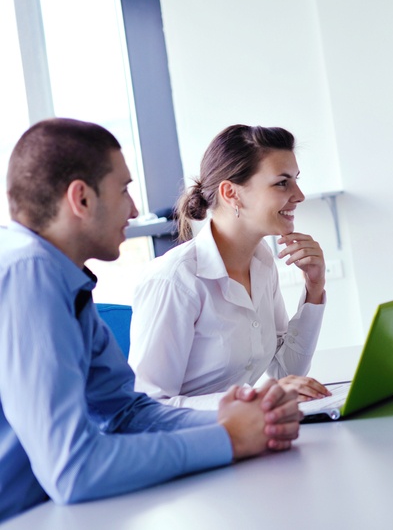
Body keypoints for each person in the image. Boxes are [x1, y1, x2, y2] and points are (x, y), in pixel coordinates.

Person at [0, 119, 301, 523]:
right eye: (123, 189)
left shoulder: (63, 279)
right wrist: (228, 438)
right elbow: (73, 470)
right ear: (81, 199)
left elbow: (126, 414)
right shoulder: (29, 274)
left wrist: (245, 421)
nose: (135, 209)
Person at [129, 125, 331, 409]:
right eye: (282, 183)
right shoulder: (175, 280)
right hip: (193, 445)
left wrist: (314, 287)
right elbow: (148, 405)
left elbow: (287, 373)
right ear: (231, 193)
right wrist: (254, 399)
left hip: (239, 436)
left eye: (296, 180)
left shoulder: (261, 263)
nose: (299, 195)